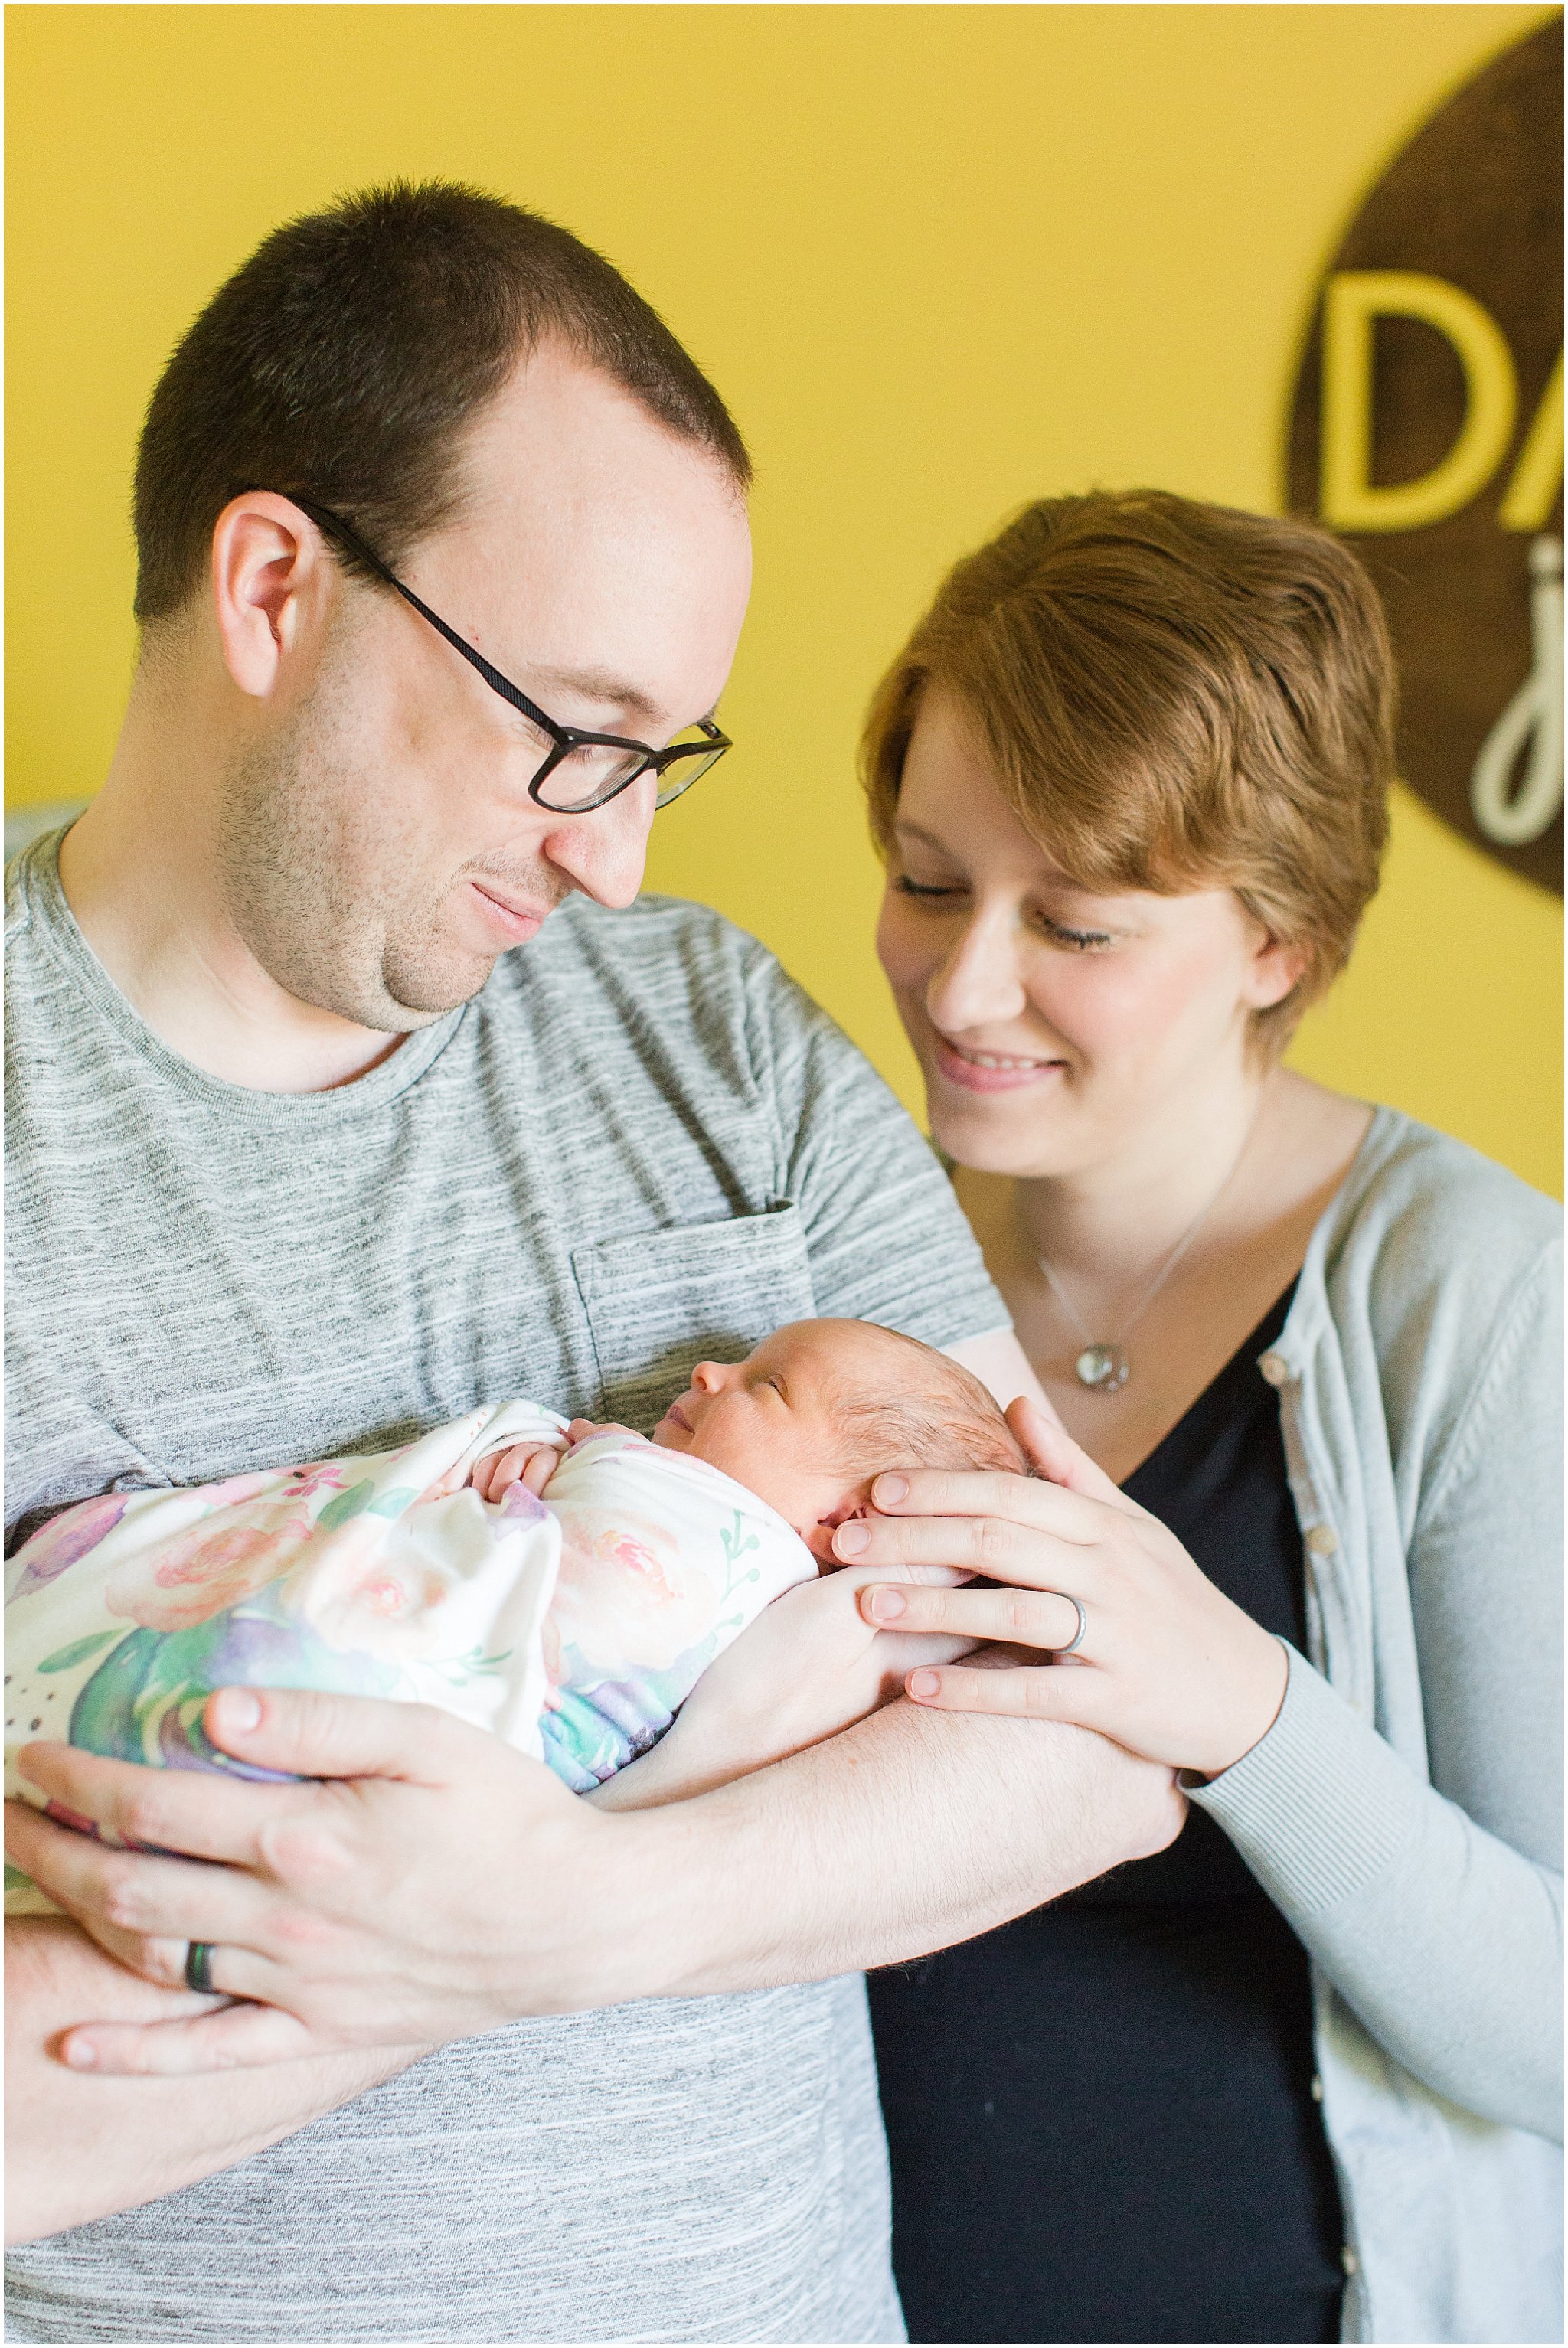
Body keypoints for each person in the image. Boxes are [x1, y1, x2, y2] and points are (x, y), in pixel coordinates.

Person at [3, 186, 1182, 2340]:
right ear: (277, 586)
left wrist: (568, 1912)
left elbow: (1092, 1740)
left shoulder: (714, 1039)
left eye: (667, 755)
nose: (619, 857)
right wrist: (478, 1920)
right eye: (576, 727)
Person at [825, 491, 1562, 2345]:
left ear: (1281, 944)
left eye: (1074, 921)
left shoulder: (1468, 1296)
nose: (963, 985)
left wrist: (1235, 1701)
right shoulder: (845, 1242)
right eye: (926, 879)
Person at [5, 1318, 1004, 1846]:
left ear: (841, 1527)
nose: (707, 1371)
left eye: (766, 1385)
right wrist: (528, 1460)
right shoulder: (619, 1477)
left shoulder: (788, 1609)